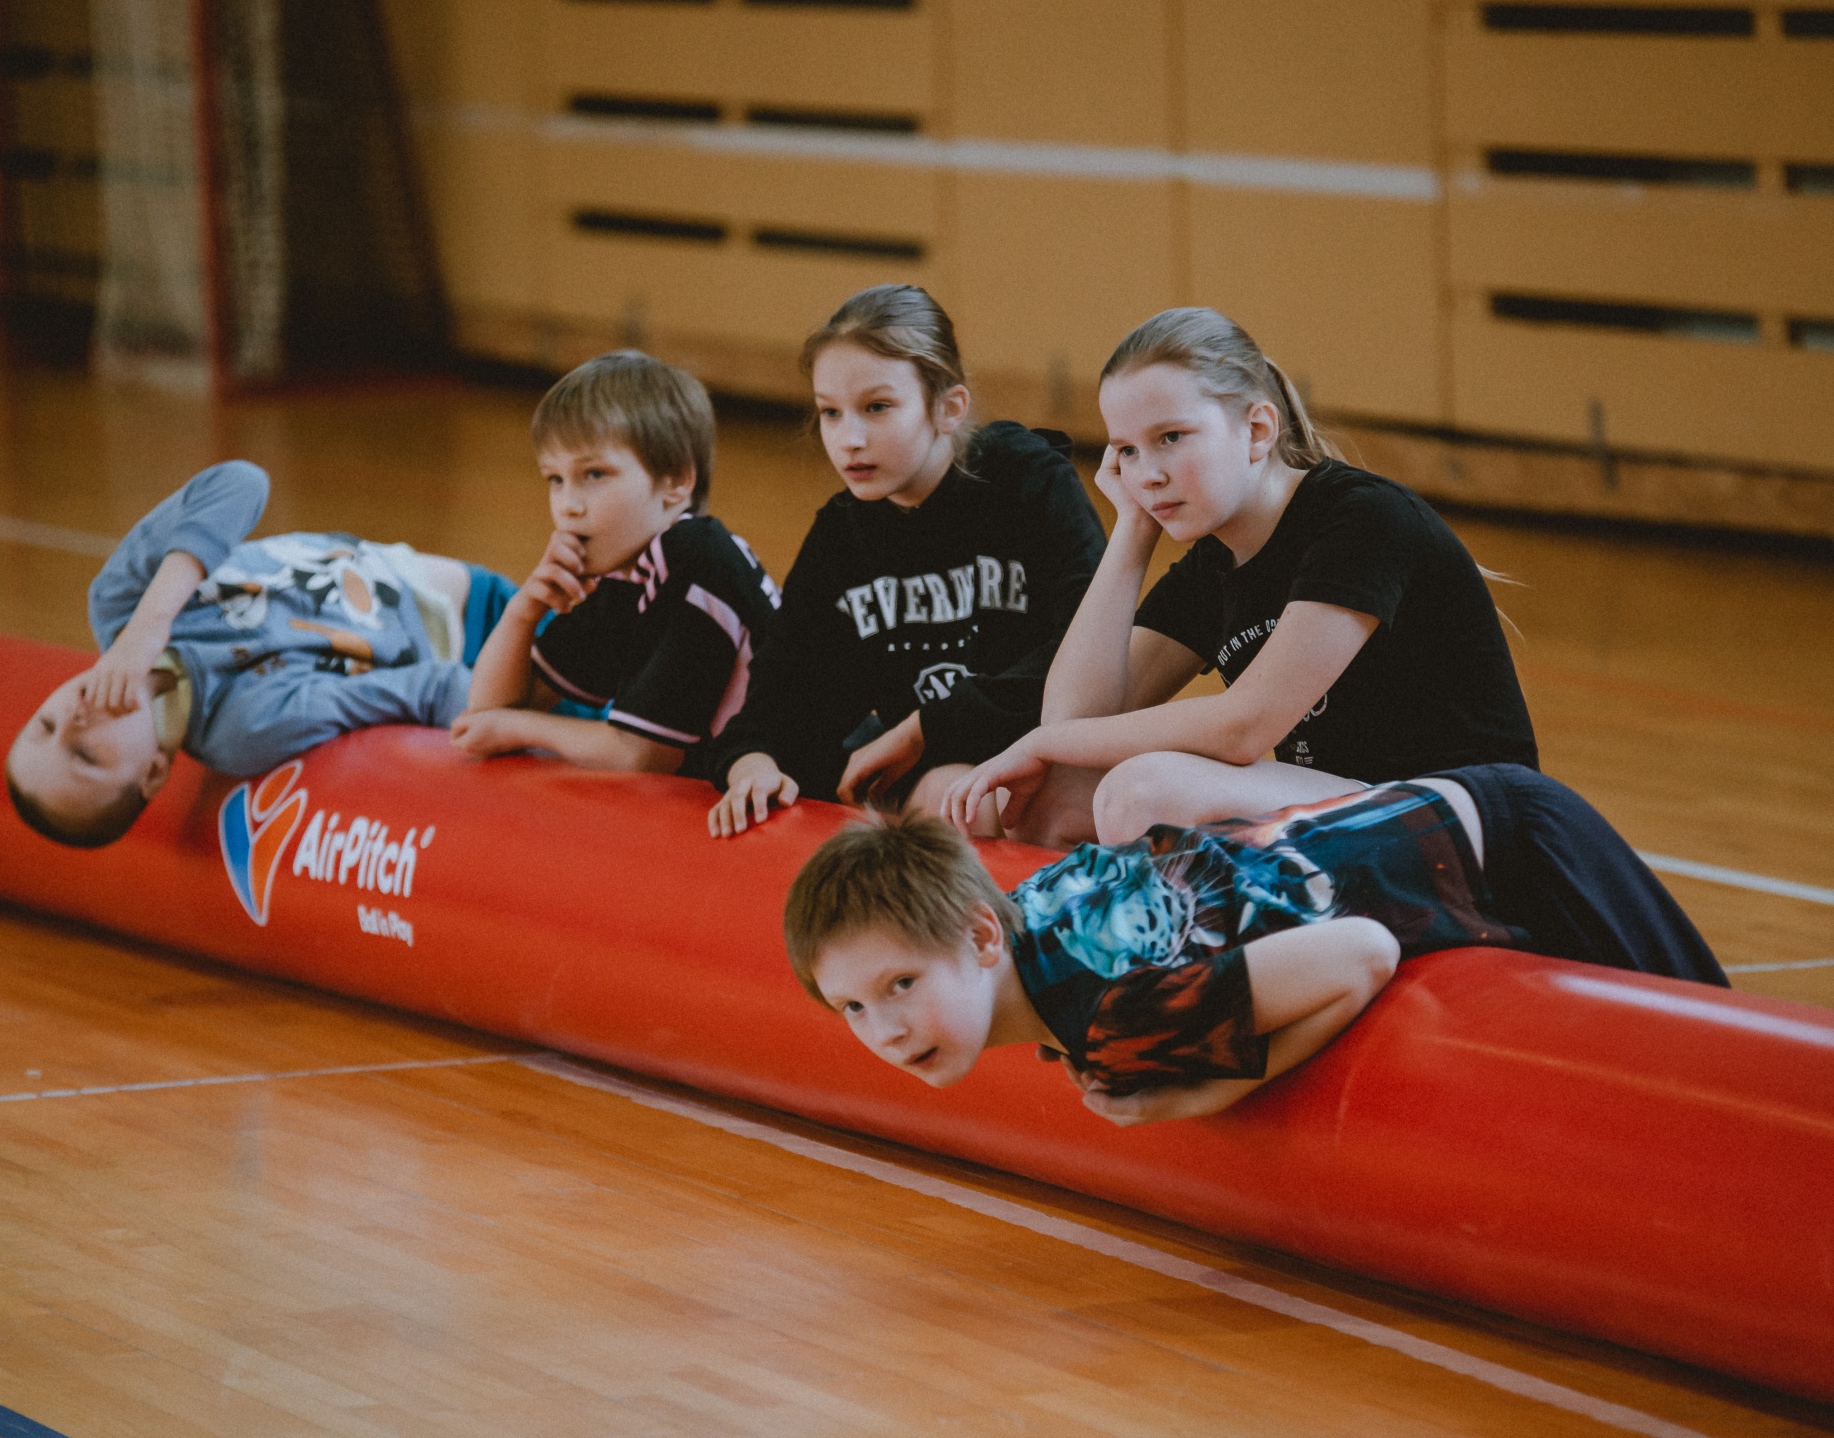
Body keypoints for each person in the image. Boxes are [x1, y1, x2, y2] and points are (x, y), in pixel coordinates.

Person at [788, 765, 1725, 1128]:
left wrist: (1203, 1094)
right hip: (1461, 820)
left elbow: (1363, 952)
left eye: (901, 983)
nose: (886, 1029)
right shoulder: (1028, 908)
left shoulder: (1113, 1024)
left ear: (980, 935)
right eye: (853, 1007)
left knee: (1712, 1062)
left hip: (1511, 848)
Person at [945, 307, 1538, 848]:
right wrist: (1132, 531)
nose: (1147, 474)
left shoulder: (1365, 519)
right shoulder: (1215, 560)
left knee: (1142, 791)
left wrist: (1040, 742)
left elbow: (1244, 727)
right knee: (1048, 798)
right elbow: (1073, 723)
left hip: (1472, 821)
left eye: (1170, 438)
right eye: (1126, 450)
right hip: (1365, 811)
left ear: (1257, 430)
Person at [708, 284, 1106, 837]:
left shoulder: (1028, 482)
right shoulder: (842, 537)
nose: (849, 439)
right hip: (941, 777)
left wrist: (927, 726)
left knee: (966, 796)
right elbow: (782, 698)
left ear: (948, 408)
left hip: (1052, 752)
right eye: (830, 412)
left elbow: (1095, 654)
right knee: (941, 794)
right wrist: (752, 763)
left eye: (877, 407)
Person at [7, 460, 488, 847]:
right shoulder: (246, 726)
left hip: (448, 575)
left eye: (46, 724)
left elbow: (240, 482)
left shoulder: (120, 603)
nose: (72, 722)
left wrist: (149, 625)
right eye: (85, 754)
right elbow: (433, 688)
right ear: (153, 772)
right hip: (481, 635)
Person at [451, 350, 781, 778]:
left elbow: (642, 756)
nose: (568, 505)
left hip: (817, 790)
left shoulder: (696, 555)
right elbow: (487, 712)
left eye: (594, 474)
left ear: (677, 480)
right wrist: (524, 610)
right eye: (555, 479)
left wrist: (519, 728)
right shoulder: (627, 576)